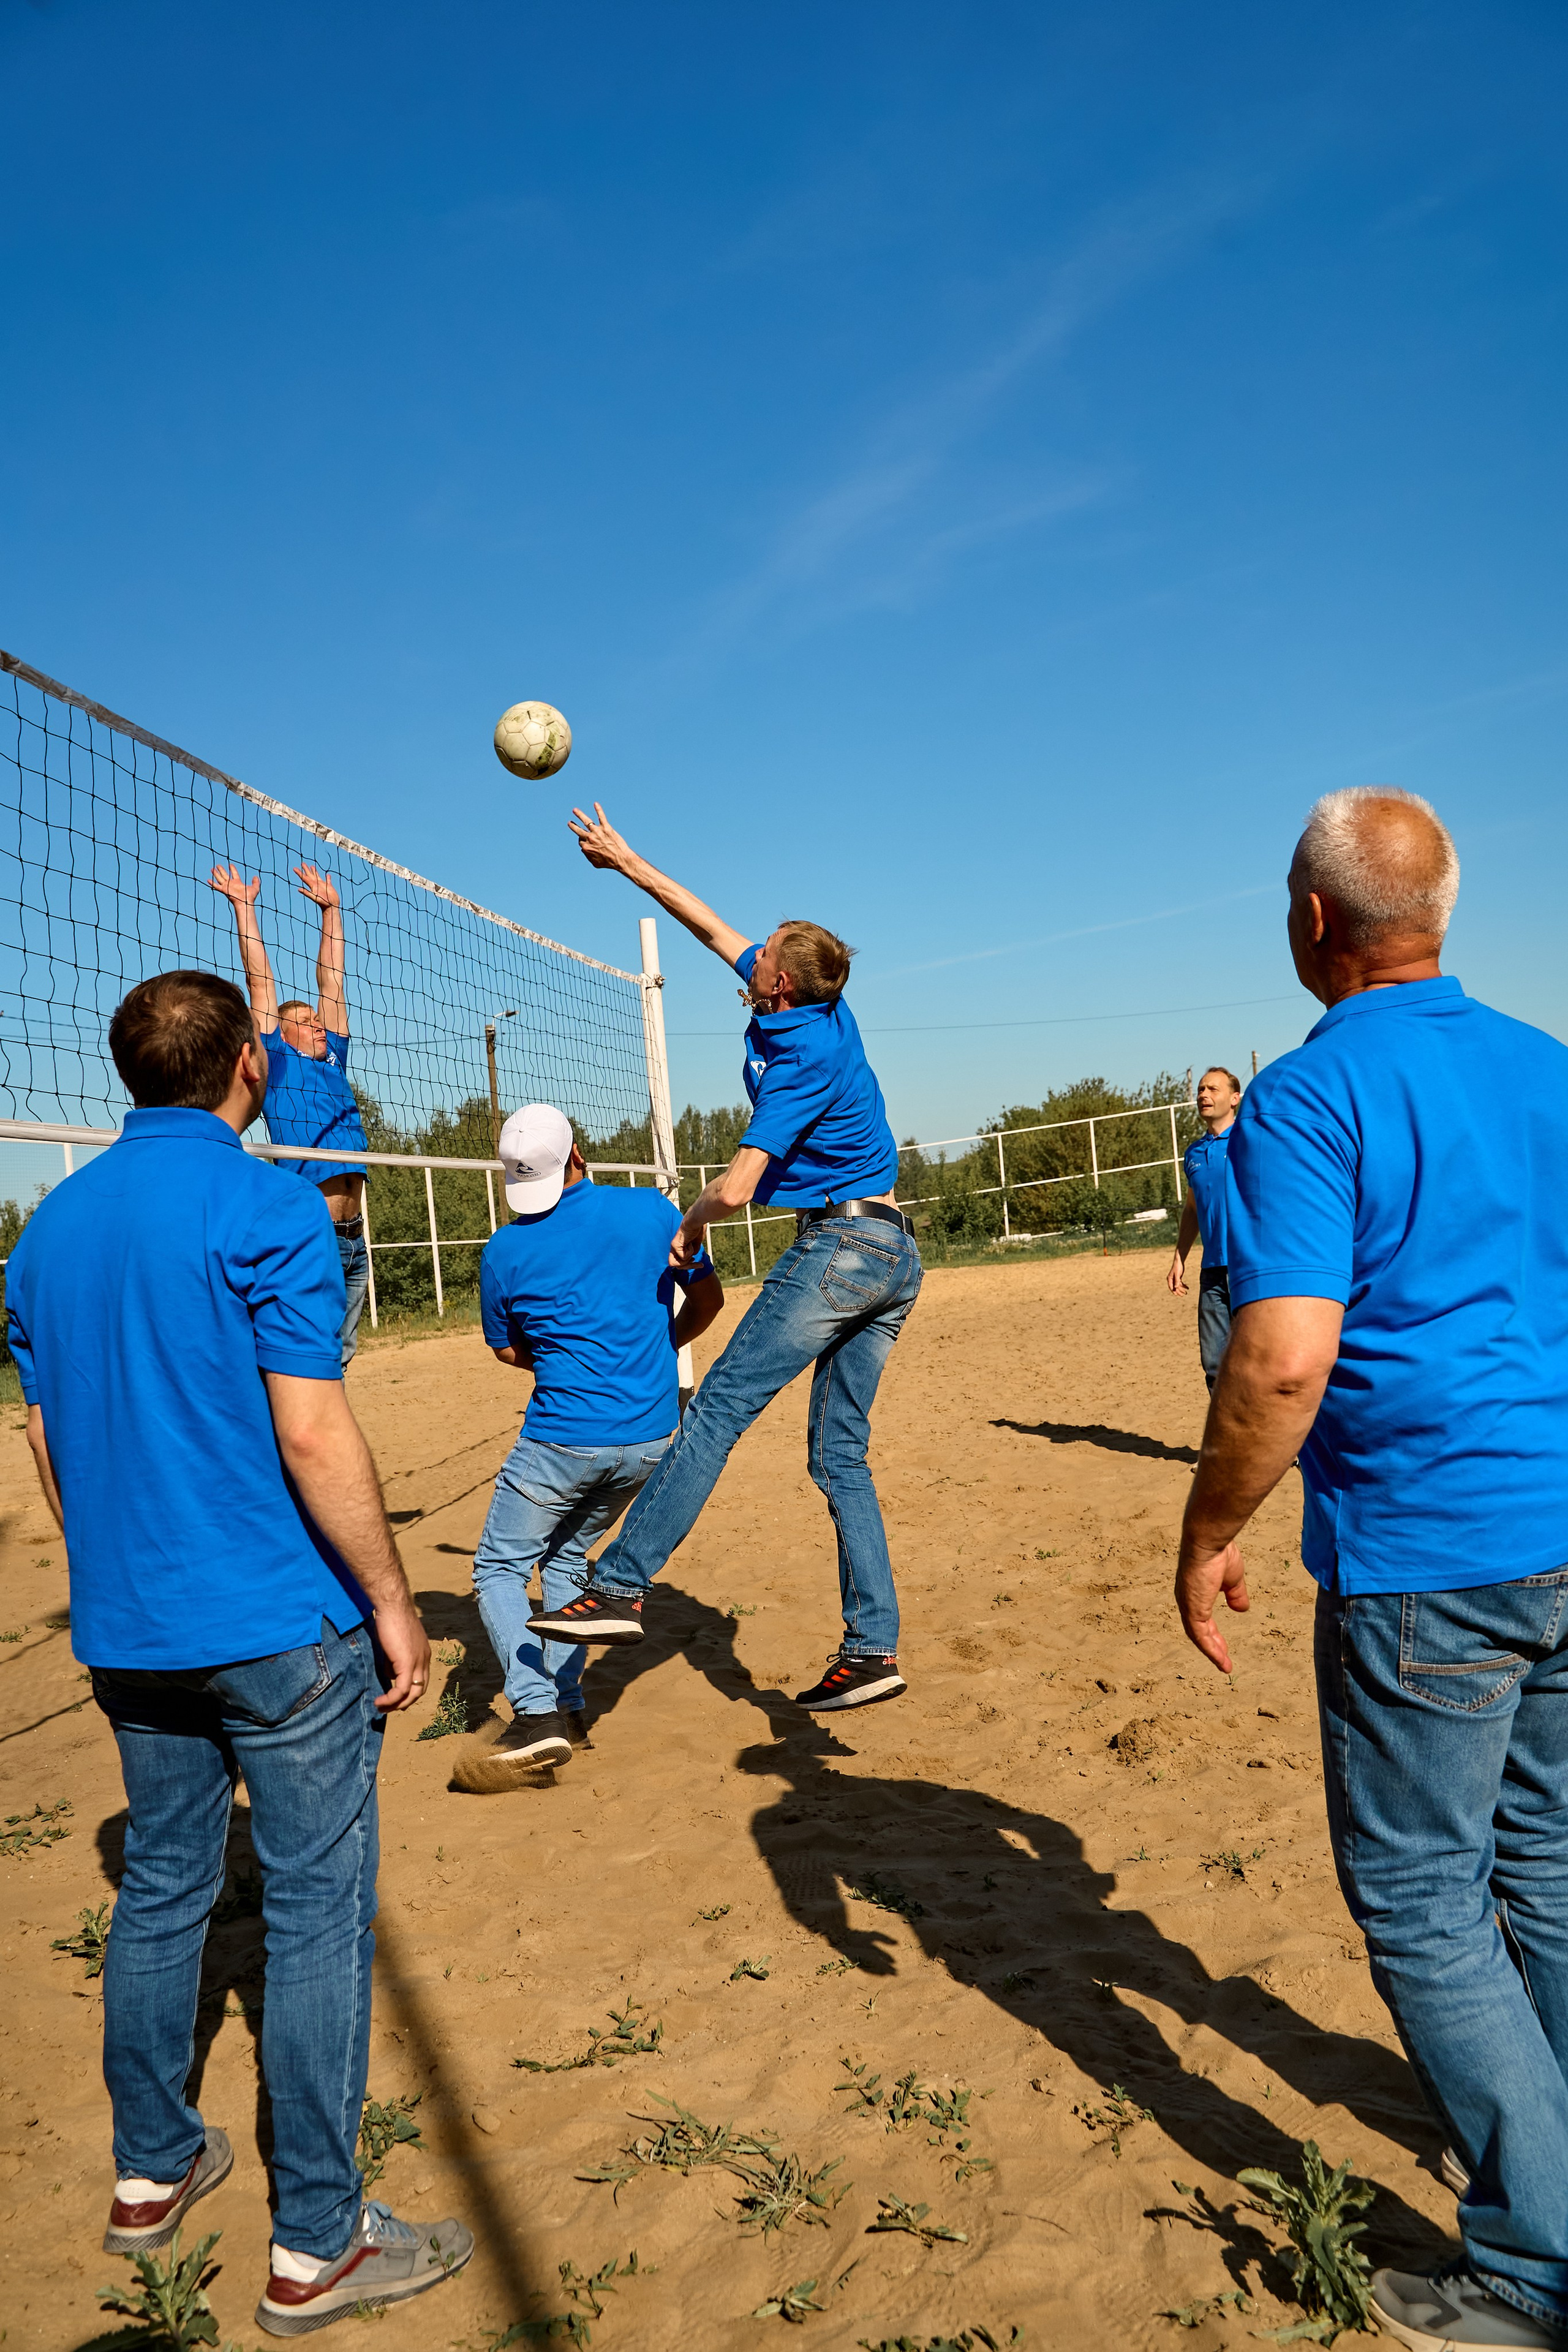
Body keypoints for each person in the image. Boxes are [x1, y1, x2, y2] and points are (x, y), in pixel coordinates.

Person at [5, 970, 473, 2336]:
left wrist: (119, 1578)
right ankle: (317, 2244)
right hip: (278, 1626)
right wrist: (392, 1600)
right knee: (318, 1914)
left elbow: (44, 1434)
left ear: (129, 1072)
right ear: (249, 1069)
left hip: (130, 1627)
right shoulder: (270, 1204)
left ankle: (151, 2173)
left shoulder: (50, 1226)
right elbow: (311, 1431)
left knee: (163, 1889)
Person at [1174, 788, 1568, 2352]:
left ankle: (1534, 2266)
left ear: (1312, 918)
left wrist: (1206, 1530)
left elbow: (1280, 1358)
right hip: (1556, 1524)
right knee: (1543, 1865)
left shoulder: (1306, 1091)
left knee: (1419, 1897)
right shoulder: (1545, 1066)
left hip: (1427, 1551)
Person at [527, 804, 922, 1714]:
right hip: (895, 1250)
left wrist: (693, 1224)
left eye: (767, 945)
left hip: (842, 1248)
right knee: (840, 1458)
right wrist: (627, 861)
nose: (753, 944)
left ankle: (617, 1587)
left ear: (778, 979)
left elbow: (740, 1186)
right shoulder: (813, 998)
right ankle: (872, 1648)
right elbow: (707, 925)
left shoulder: (803, 1058)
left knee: (713, 1414)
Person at [462, 1101, 724, 1777]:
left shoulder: (504, 1250)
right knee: (568, 1557)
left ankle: (535, 1712)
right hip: (650, 1437)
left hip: (562, 1439)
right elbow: (709, 1302)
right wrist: (654, 1352)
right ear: (577, 1153)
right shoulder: (653, 1212)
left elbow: (507, 1350)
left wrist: (568, 1363)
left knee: (498, 1568)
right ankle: (570, 1702)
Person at [209, 861, 372, 1367]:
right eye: (305, 1021)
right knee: (304, 1361)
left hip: (356, 1239)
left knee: (339, 1358)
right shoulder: (276, 1062)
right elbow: (260, 983)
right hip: (315, 1234)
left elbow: (333, 983)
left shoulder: (334, 1058)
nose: (318, 1024)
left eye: (318, 1019)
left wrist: (332, 912)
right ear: (281, 1034)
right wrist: (244, 907)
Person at [1166, 1065, 1243, 1389]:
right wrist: (1179, 1258)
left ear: (1235, 1098)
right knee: (1214, 1366)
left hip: (1249, 1266)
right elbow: (1193, 1208)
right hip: (1211, 1271)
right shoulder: (1193, 1153)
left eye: (1213, 1089)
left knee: (1256, 1360)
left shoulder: (1249, 1141)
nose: (1203, 1095)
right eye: (1200, 1089)